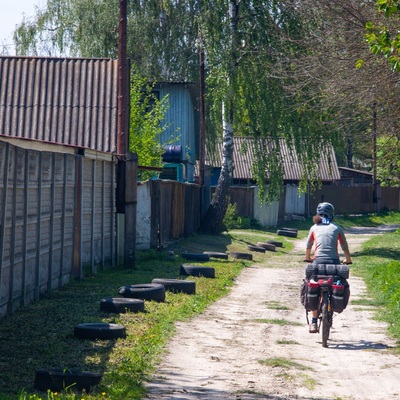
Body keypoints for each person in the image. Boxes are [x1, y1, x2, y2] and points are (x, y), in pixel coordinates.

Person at [304, 202, 352, 333]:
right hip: (334, 263)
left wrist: (308, 258)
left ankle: (313, 322)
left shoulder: (314, 228)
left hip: (318, 262)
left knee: (314, 284)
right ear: (332, 215)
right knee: (335, 282)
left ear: (318, 214)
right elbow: (344, 247)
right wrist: (348, 260)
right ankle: (331, 305)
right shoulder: (337, 228)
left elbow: (309, 246)